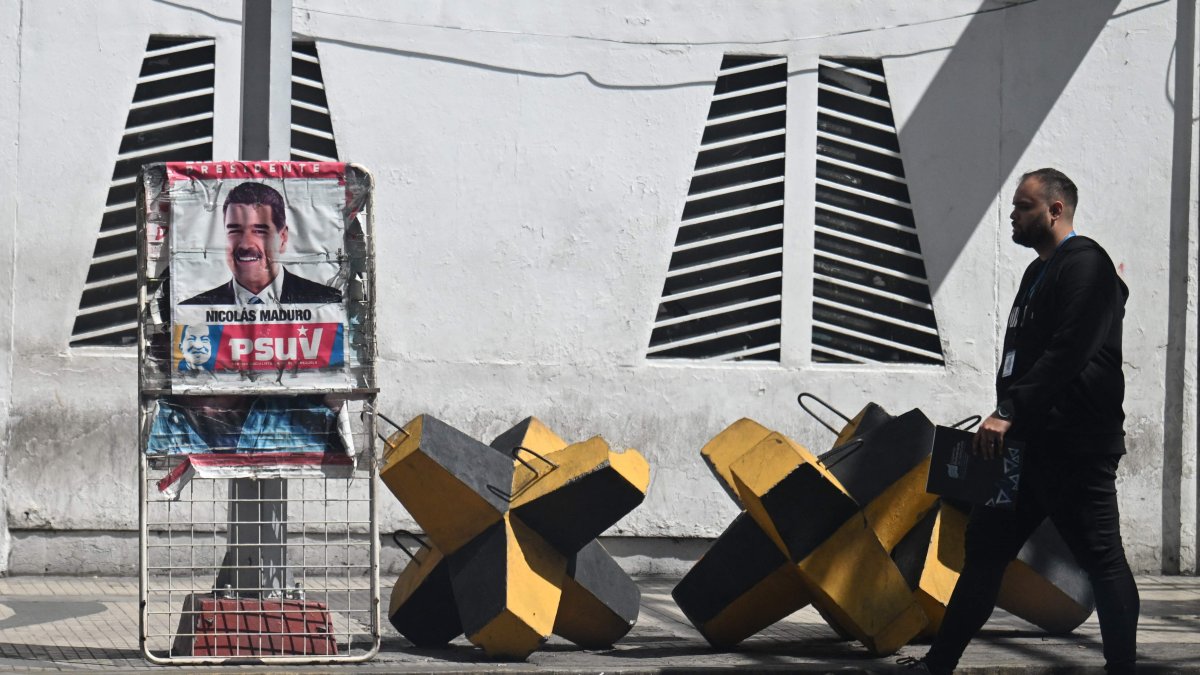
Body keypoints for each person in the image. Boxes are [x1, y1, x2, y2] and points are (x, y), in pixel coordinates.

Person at [913, 169, 1138, 674]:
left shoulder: (1087, 266)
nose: (1012, 215)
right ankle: (938, 665)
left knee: (1102, 558)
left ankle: (1123, 667)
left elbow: (1068, 352)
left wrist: (1008, 410)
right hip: (1022, 450)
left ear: (1055, 210)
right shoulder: (1038, 273)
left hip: (1075, 448)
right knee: (986, 554)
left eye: (1023, 206)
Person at [181, 182, 342, 305]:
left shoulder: (325, 302)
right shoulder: (196, 308)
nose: (245, 245)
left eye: (259, 231)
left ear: (283, 238)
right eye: (234, 230)